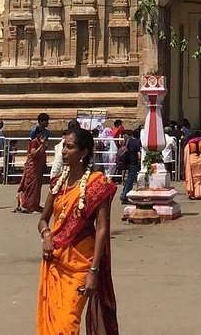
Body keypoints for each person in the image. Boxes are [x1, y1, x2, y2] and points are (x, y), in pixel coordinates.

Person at [37, 127, 118, 335]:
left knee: (67, 324)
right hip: (55, 262)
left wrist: (94, 271)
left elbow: (102, 230)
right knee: (52, 325)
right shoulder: (57, 184)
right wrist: (47, 235)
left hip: (81, 264)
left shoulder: (97, 184)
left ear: (83, 153)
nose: (64, 151)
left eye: (70, 147)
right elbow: (43, 220)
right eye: (64, 146)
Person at [15, 130, 51, 214]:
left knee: (37, 188)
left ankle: (35, 205)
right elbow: (33, 154)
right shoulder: (34, 142)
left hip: (39, 168)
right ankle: (29, 206)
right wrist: (42, 145)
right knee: (31, 187)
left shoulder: (41, 142)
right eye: (42, 134)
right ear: (38, 134)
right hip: (33, 169)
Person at [119, 128, 142, 204]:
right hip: (133, 162)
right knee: (130, 180)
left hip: (127, 161)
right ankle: (125, 196)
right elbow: (138, 155)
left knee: (128, 179)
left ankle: (123, 193)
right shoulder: (137, 142)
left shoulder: (129, 140)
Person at [183, 135, 201, 200]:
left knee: (193, 177)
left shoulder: (189, 144)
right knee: (200, 178)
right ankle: (199, 194)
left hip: (192, 159)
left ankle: (193, 193)